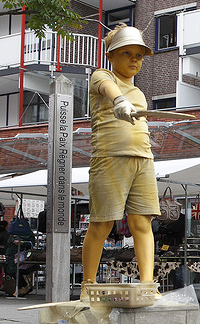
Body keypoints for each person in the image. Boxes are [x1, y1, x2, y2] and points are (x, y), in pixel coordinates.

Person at [81, 23, 159, 299]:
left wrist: (128, 101)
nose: (134, 60)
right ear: (112, 55)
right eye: (127, 53)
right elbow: (106, 87)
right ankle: (88, 285)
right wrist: (118, 100)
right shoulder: (102, 76)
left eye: (139, 55)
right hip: (109, 157)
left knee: (142, 222)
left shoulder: (138, 92)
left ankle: (148, 285)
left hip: (143, 159)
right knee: (102, 223)